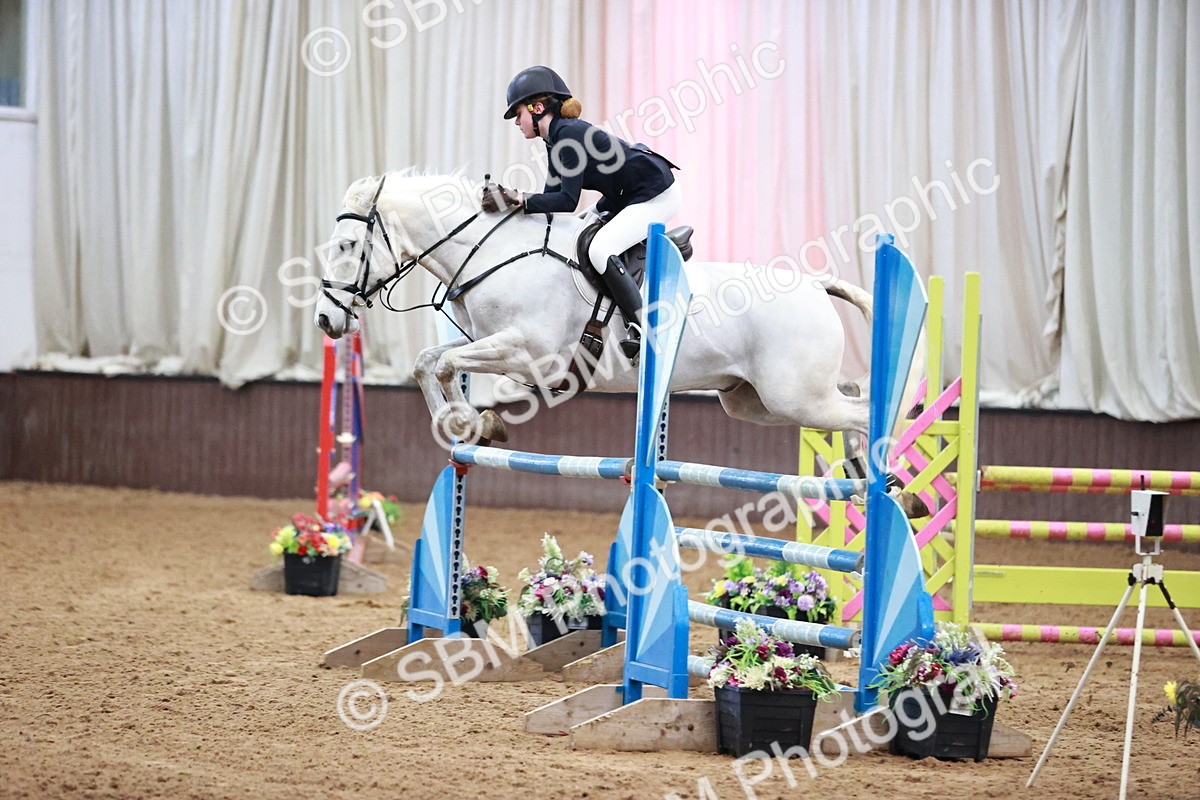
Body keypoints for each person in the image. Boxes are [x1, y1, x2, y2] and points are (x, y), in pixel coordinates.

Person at [483, 66, 681, 360]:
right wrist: (513, 206)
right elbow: (550, 200)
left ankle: (642, 327)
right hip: (623, 196)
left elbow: (565, 201)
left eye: (518, 114)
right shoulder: (554, 140)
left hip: (654, 194)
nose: (517, 122)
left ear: (537, 108)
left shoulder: (568, 136)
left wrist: (517, 198)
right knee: (576, 228)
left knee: (601, 249)